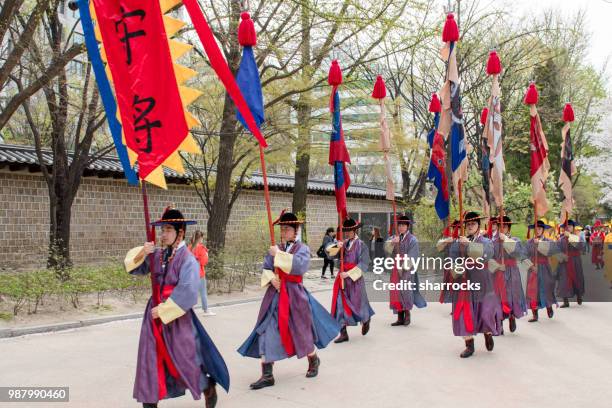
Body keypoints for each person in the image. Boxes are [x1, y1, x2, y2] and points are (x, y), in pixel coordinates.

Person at [124, 206, 229, 408]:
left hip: (177, 318)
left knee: (185, 361)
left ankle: (206, 385)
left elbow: (189, 293)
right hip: (153, 317)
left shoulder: (188, 259)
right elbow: (136, 269)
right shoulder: (159, 255)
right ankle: (150, 401)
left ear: (180, 233)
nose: (163, 234)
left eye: (168, 230)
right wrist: (142, 252)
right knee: (150, 360)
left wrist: (164, 310)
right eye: (163, 230)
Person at [238, 210, 340, 390]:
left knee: (301, 331)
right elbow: (266, 268)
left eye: (287, 229)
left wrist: (278, 254)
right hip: (274, 296)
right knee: (266, 330)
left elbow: (299, 267)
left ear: (295, 231)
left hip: (295, 295)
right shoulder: (275, 247)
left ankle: (313, 359)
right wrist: (272, 279)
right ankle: (267, 374)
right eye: (282, 229)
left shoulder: (303, 248)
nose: (283, 232)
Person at [448, 211, 502, 358]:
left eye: (473, 224)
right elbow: (452, 259)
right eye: (468, 224)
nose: (470, 226)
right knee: (464, 313)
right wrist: (456, 269)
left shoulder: (486, 241)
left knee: (485, 312)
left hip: (482, 280)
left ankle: (488, 333)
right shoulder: (458, 243)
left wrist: (469, 245)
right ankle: (469, 344)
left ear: (478, 226)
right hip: (464, 282)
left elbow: (487, 255)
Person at [326, 218, 375, 343]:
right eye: (345, 231)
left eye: (349, 231)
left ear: (354, 230)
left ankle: (365, 319)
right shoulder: (343, 243)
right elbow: (329, 255)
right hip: (342, 279)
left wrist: (348, 274)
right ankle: (343, 332)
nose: (347, 233)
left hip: (355, 279)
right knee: (340, 304)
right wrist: (337, 246)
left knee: (358, 304)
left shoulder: (361, 245)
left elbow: (364, 264)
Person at [383, 214, 427, 326]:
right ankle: (399, 316)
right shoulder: (393, 238)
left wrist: (403, 268)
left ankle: (407, 314)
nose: (401, 227)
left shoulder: (412, 239)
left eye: (403, 225)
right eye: (399, 225)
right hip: (395, 267)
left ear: (408, 226)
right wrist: (392, 243)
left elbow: (413, 255)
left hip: (407, 268)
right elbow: (386, 250)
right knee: (396, 292)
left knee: (406, 291)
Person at [487, 215, 527, 333]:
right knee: (497, 297)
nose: (502, 228)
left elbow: (519, 254)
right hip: (497, 273)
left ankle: (512, 316)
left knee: (511, 296)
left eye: (505, 226)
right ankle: (498, 324)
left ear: (508, 228)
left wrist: (506, 241)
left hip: (512, 272)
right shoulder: (492, 242)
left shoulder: (515, 240)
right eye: (500, 226)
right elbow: (489, 258)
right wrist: (497, 266)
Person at [524, 219, 559, 322]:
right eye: (536, 228)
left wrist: (539, 244)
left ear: (543, 230)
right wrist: (530, 266)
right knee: (533, 291)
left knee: (547, 288)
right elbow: (524, 256)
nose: (537, 230)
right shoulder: (529, 242)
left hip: (545, 268)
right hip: (532, 269)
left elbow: (551, 252)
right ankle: (535, 314)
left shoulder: (548, 241)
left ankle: (549, 306)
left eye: (539, 228)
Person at [556, 219, 585, 307]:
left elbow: (581, 246)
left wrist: (570, 237)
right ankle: (565, 301)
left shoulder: (577, 237)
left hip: (575, 261)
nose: (568, 228)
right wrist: (561, 256)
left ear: (573, 228)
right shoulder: (561, 239)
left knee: (577, 278)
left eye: (570, 226)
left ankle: (579, 296)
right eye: (566, 227)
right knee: (564, 280)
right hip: (564, 262)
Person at [188, 230, 215, 316]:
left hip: (191, 273)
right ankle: (206, 310)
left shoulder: (189, 247)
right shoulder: (201, 248)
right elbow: (204, 262)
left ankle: (190, 310)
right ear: (200, 238)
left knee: (192, 292)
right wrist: (206, 254)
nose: (202, 239)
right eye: (202, 237)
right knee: (203, 292)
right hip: (199, 273)